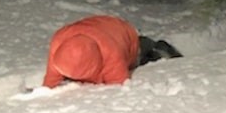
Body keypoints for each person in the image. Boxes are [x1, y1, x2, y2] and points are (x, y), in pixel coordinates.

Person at [42, 15, 181, 88]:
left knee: (141, 56)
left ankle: (160, 48)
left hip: (122, 31)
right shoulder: (58, 43)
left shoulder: (111, 53)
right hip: (98, 25)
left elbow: (118, 85)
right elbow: (51, 79)